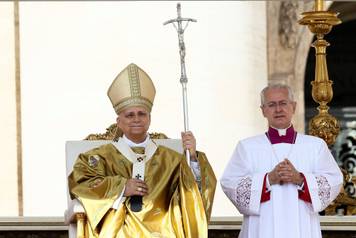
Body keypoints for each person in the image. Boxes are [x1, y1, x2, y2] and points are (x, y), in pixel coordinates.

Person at [68, 63, 216, 238]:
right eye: (130, 115)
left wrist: (192, 157)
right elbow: (81, 184)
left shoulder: (172, 160)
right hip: (117, 229)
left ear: (149, 118)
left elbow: (194, 195)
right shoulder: (97, 158)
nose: (136, 119)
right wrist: (121, 187)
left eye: (141, 114)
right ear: (119, 121)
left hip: (163, 230)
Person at [220, 83, 343, 238]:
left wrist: (300, 179)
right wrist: (267, 179)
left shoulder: (315, 146)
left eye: (283, 103)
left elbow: (334, 180)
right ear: (263, 111)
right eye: (271, 105)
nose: (278, 109)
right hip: (261, 229)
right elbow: (230, 184)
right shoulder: (247, 147)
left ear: (293, 106)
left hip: (302, 228)